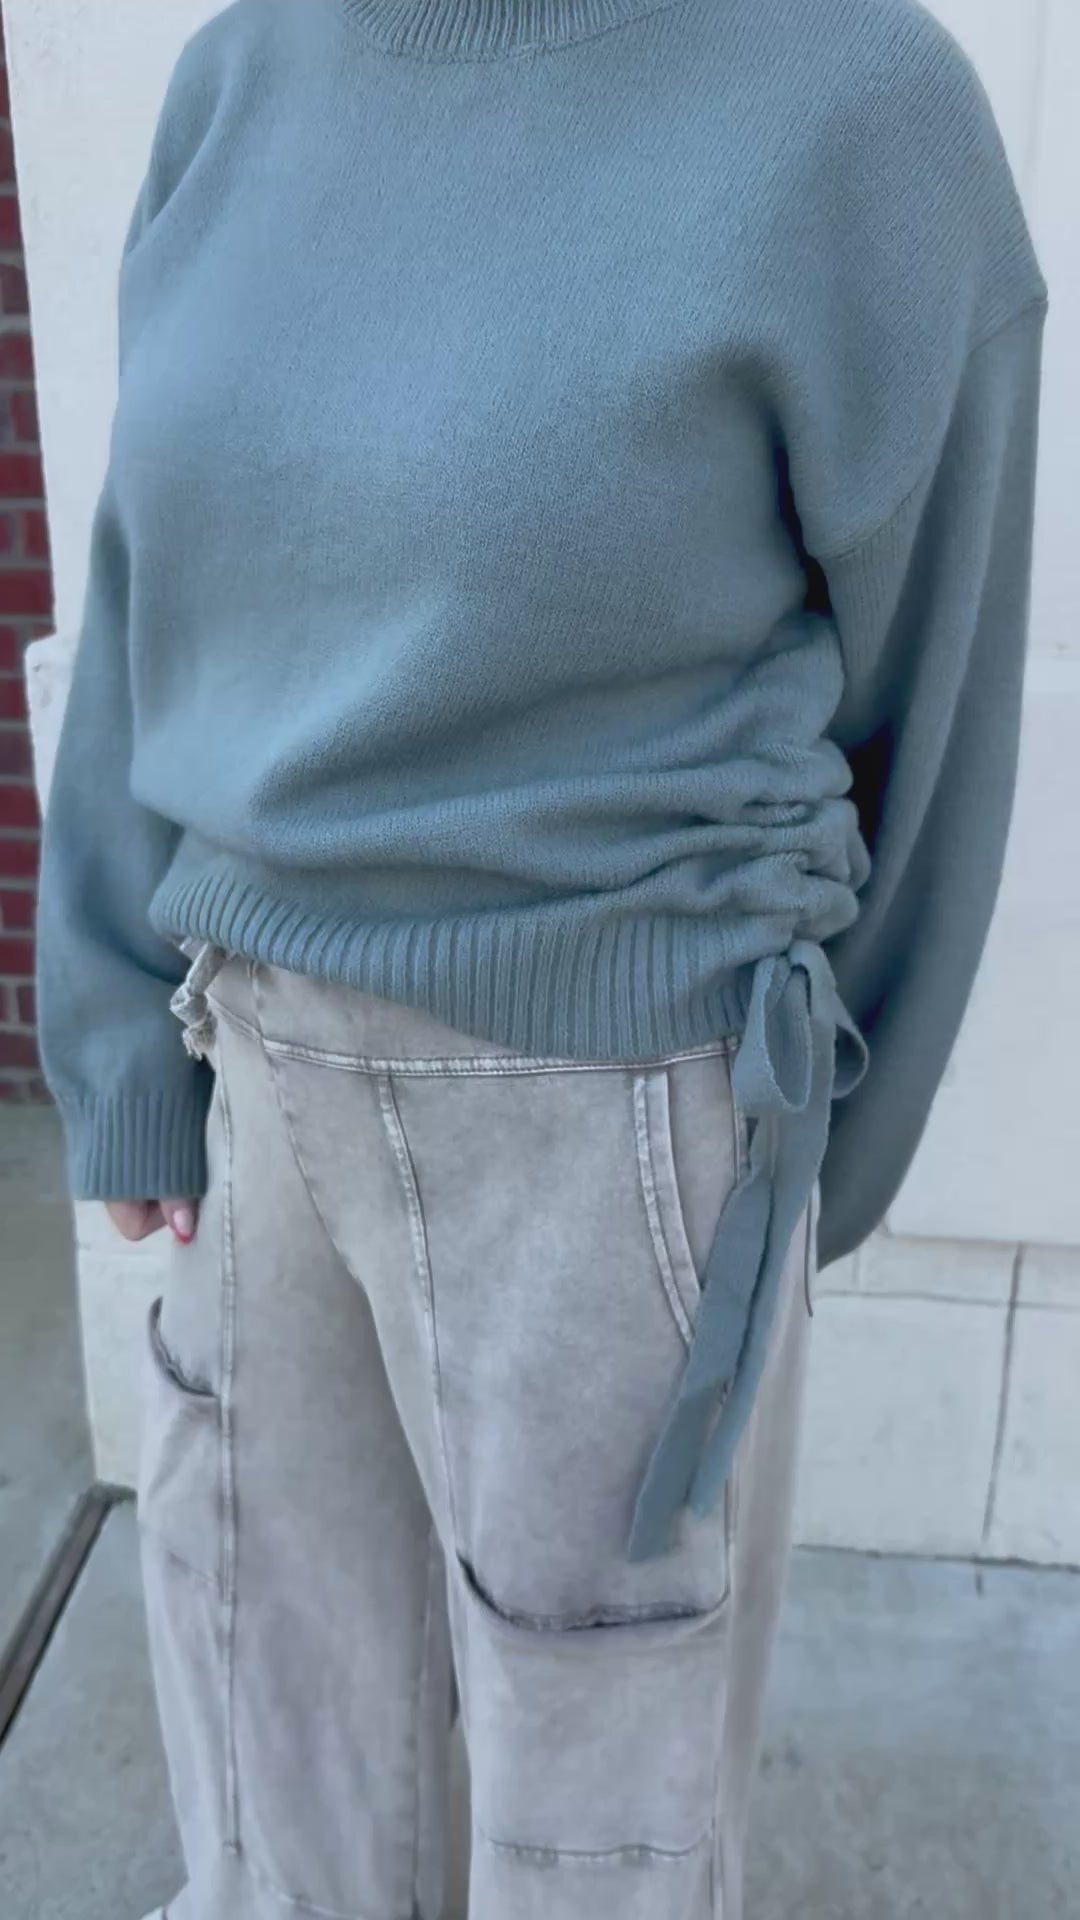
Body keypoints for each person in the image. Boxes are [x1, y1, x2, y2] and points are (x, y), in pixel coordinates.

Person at [34, 0, 1047, 1916]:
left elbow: (937, 689)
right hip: (256, 1063)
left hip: (609, 1125)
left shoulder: (853, 107)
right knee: (270, 1750)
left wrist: (799, 1176)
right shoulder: (247, 72)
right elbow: (148, 569)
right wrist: (114, 1028)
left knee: (596, 1820)